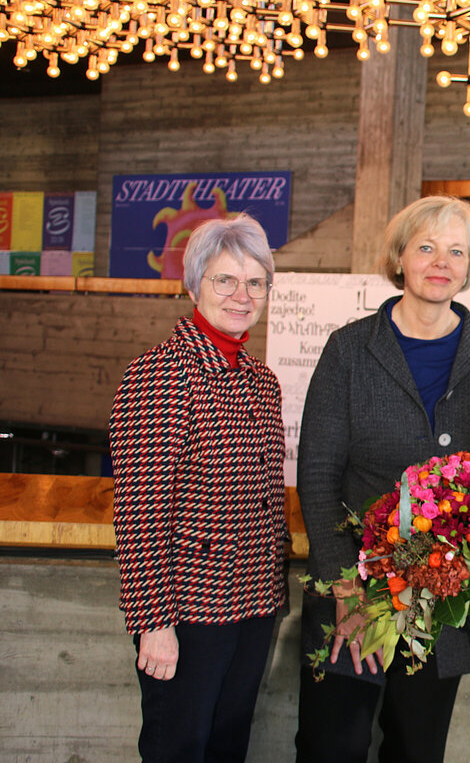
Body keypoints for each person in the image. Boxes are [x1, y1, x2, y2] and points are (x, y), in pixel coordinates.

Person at [295, 195, 470, 763]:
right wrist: (345, 589)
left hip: (441, 600)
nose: (441, 262)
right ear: (399, 257)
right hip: (354, 591)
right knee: (330, 745)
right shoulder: (349, 349)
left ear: (469, 267)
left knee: (416, 751)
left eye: (456, 251)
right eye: (426, 247)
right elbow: (317, 475)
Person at [109, 214, 287, 763]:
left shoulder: (261, 380)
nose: (242, 295)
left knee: (228, 747)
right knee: (179, 749)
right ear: (192, 285)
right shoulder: (161, 374)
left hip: (254, 603)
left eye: (255, 282)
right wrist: (153, 623)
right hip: (187, 612)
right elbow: (140, 511)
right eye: (225, 280)